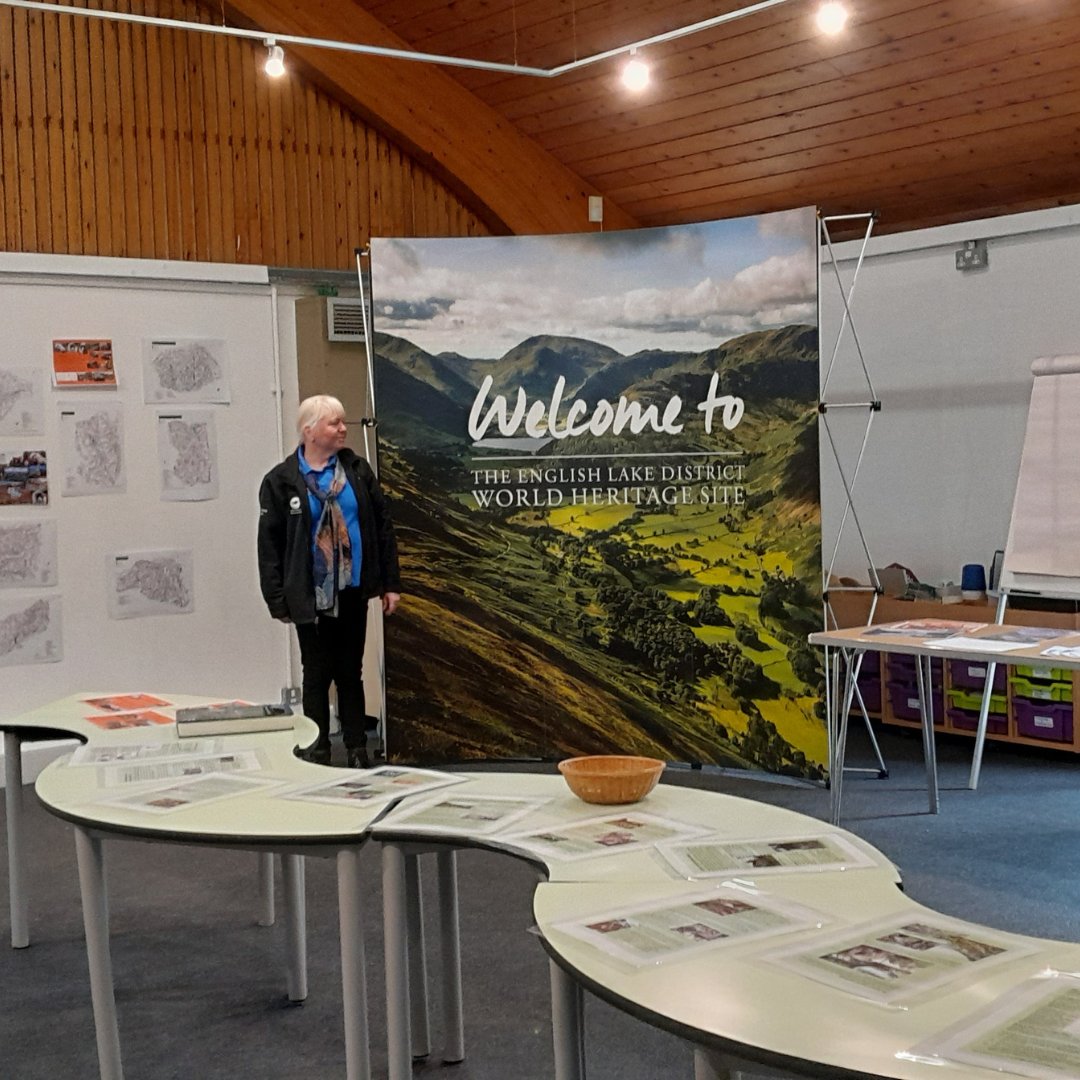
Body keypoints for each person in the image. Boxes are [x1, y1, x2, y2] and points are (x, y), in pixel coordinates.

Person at [258, 395, 401, 768]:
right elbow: (269, 546)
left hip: (352, 590)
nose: (342, 429)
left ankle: (357, 747)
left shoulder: (357, 470)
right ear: (309, 431)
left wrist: (389, 583)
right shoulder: (281, 481)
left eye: (342, 422)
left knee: (350, 671)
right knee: (316, 673)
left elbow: (382, 528)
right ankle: (317, 749)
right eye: (334, 423)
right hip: (309, 595)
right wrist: (277, 599)